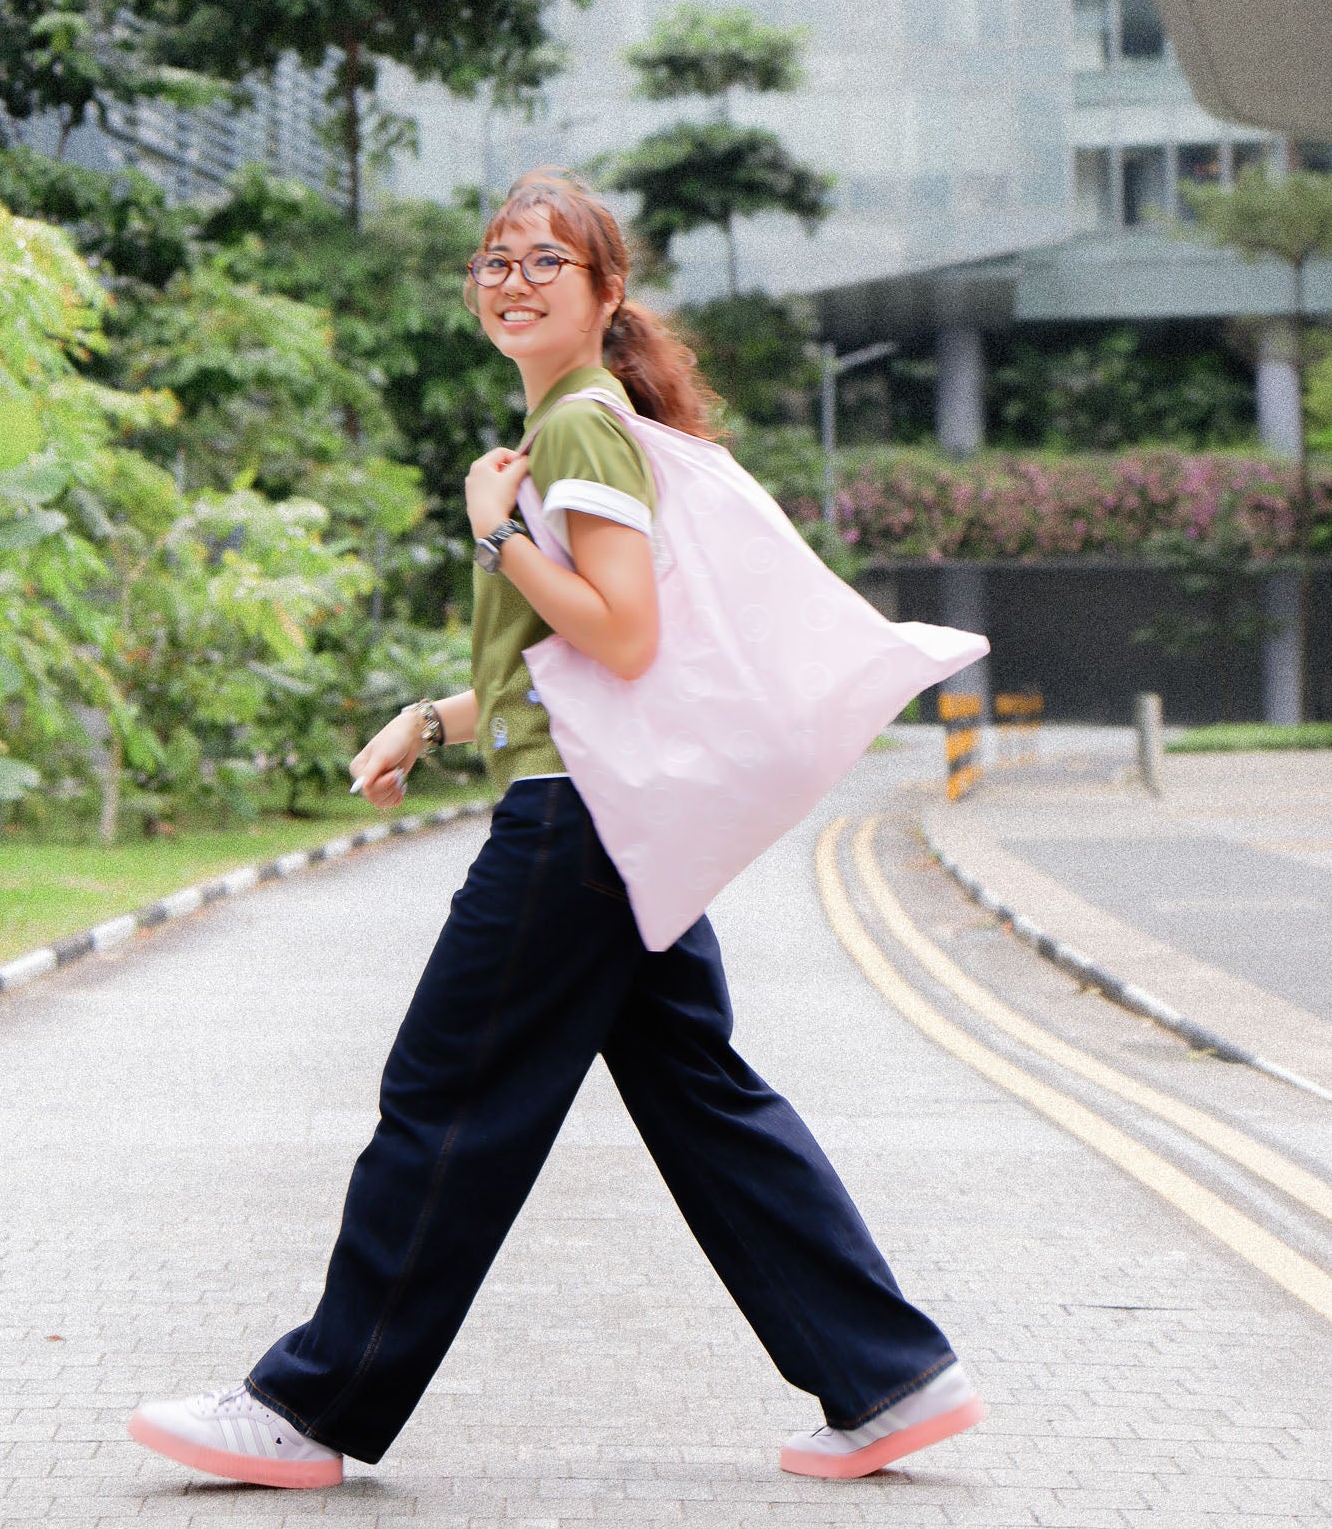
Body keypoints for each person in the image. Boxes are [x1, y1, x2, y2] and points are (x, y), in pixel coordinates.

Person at [127, 168, 985, 1490]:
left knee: (443, 1096)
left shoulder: (579, 431)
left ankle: (312, 1404)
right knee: (703, 1095)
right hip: (606, 805)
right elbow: (568, 655)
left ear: (604, 293)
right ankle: (885, 1373)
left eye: (544, 261)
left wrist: (492, 536)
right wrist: (434, 715)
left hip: (574, 821)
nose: (512, 280)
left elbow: (622, 633)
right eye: (494, 260)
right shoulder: (577, 427)